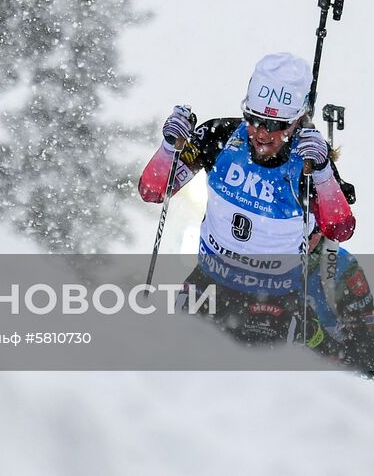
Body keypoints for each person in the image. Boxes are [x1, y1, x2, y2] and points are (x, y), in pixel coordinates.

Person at [139, 52, 357, 346]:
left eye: (276, 125)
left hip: (274, 303)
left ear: (296, 122)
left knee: (251, 383)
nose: (262, 133)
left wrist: (323, 173)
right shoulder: (220, 136)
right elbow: (152, 191)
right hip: (208, 288)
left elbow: (340, 229)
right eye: (254, 119)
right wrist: (169, 147)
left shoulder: (308, 163)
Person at [303, 226, 374, 375]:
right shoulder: (253, 249)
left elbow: (367, 360)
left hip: (318, 377)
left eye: (307, 230)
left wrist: (318, 339)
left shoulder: (341, 267)